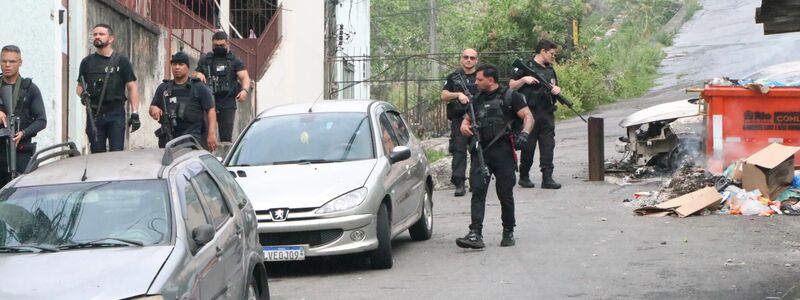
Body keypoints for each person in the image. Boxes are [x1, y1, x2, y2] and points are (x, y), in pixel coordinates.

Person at [455, 64, 533, 249]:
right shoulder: (476, 100)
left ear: (491, 80)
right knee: (478, 192)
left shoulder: (510, 96)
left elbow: (528, 117)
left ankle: (508, 231)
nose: (476, 82)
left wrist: (525, 134)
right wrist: (464, 127)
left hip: (503, 151)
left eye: (479, 79)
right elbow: (465, 121)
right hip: (480, 152)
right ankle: (475, 233)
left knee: (505, 193)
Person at [76, 23, 140, 153]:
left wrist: (135, 113)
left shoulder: (121, 61)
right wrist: (83, 95)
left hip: (115, 112)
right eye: (95, 34)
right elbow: (79, 87)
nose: (97, 36)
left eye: (101, 34)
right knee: (97, 153)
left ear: (111, 39)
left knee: (116, 153)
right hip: (94, 113)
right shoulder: (86, 62)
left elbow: (132, 87)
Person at [509, 39, 562, 189]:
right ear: (543, 51)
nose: (553, 56)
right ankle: (524, 176)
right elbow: (511, 86)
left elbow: (553, 86)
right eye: (551, 53)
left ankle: (547, 178)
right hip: (529, 114)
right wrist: (524, 80)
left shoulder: (549, 69)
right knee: (528, 147)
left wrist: (556, 90)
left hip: (546, 113)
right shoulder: (525, 66)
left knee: (548, 145)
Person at [149, 52, 218, 152]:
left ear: (187, 67)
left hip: (192, 138)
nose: (177, 67)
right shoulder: (164, 88)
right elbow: (152, 107)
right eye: (174, 64)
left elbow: (211, 110)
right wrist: (153, 109)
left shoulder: (198, 87)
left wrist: (211, 133)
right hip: (169, 138)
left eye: (181, 64)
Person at [192, 31, 251, 143]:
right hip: (208, 102)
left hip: (227, 102)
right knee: (206, 137)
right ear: (212, 44)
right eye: (216, 46)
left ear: (227, 44)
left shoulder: (234, 60)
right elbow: (194, 74)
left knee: (226, 139)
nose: (219, 48)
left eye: (222, 45)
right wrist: (198, 74)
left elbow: (245, 77)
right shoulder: (206, 60)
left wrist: (244, 91)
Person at [0, 45, 46, 186]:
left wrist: (23, 133)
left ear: (20, 62)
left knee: (19, 190)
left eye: (12, 61)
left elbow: (41, 120)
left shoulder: (30, 88)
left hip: (19, 150)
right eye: (4, 61)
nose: (7, 65)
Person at [440, 48, 479, 197]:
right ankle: (459, 183)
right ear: (461, 59)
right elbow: (443, 95)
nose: (469, 60)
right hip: (458, 119)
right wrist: (458, 94)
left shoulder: (480, 76)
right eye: (466, 57)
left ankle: (476, 182)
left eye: (472, 58)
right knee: (459, 151)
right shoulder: (453, 77)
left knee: (477, 150)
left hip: (477, 118)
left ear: (476, 60)